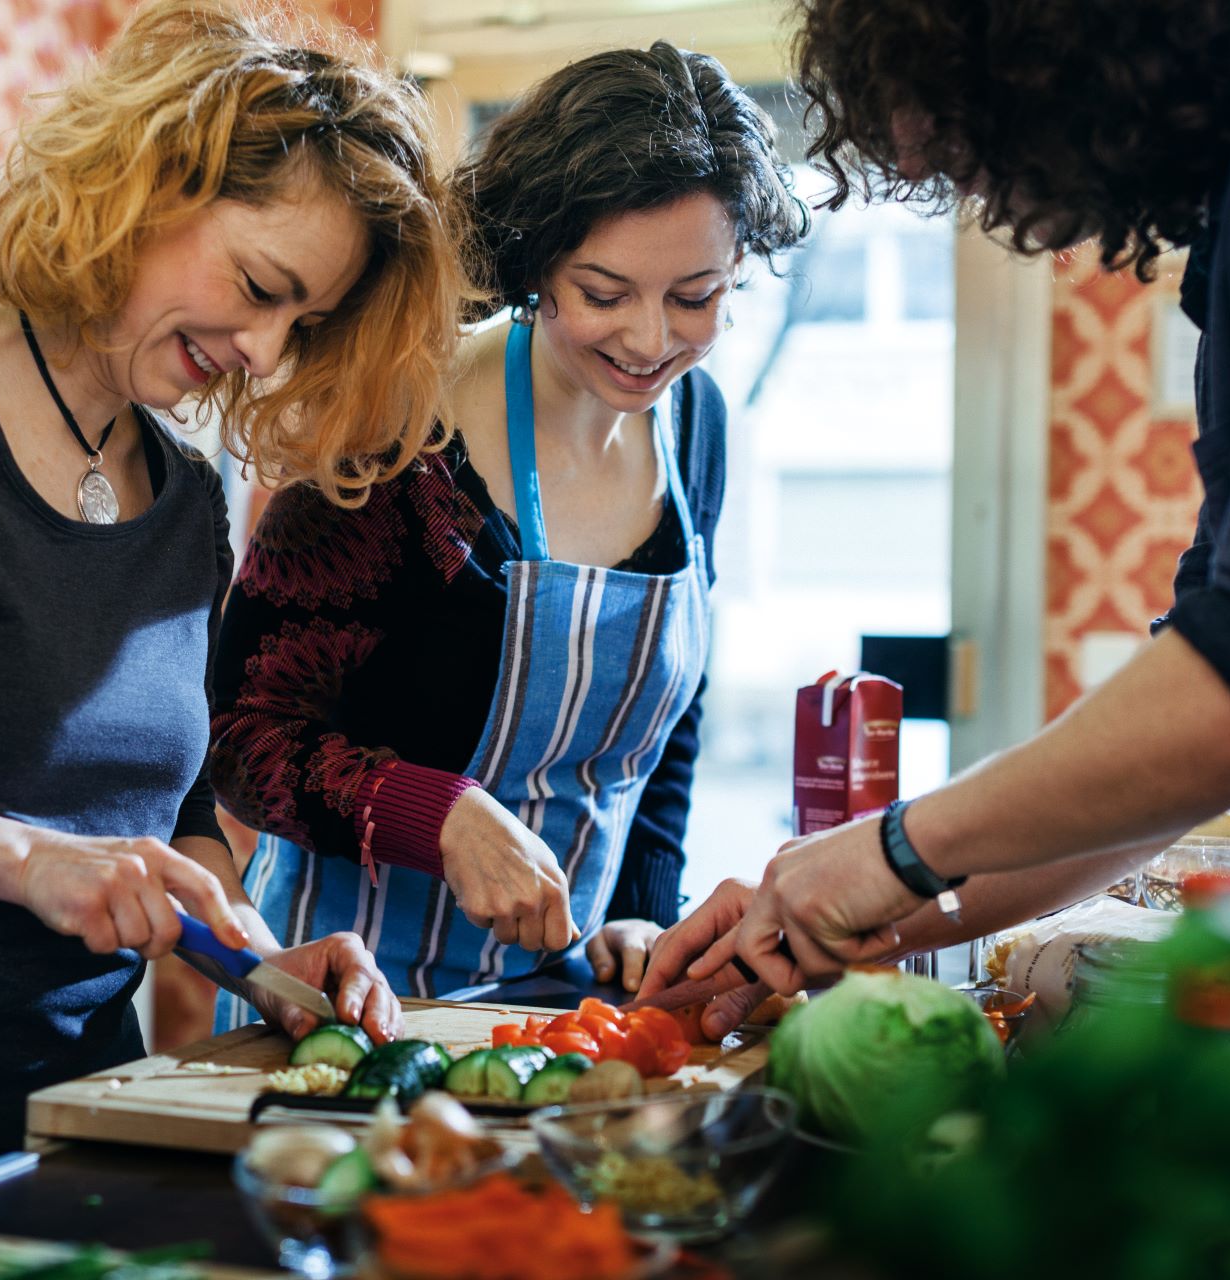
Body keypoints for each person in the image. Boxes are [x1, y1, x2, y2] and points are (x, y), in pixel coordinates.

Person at [0, 0, 465, 1201]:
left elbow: (169, 819)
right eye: (261, 286)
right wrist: (25, 862)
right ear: (150, 183)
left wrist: (263, 964)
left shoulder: (189, 493)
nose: (266, 353)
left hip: (97, 1114)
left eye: (302, 323)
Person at [641, 0, 1230, 1016]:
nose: (983, 195)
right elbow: (1185, 750)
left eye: (968, 146)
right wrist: (844, 907)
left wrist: (899, 846)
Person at [205, 43, 804, 1021]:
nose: (653, 341)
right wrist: (433, 814)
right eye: (604, 294)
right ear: (535, 265)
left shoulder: (698, 429)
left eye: (697, 296)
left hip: (563, 1008)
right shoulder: (401, 432)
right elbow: (240, 735)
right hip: (347, 1000)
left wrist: (646, 919)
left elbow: (667, 724)